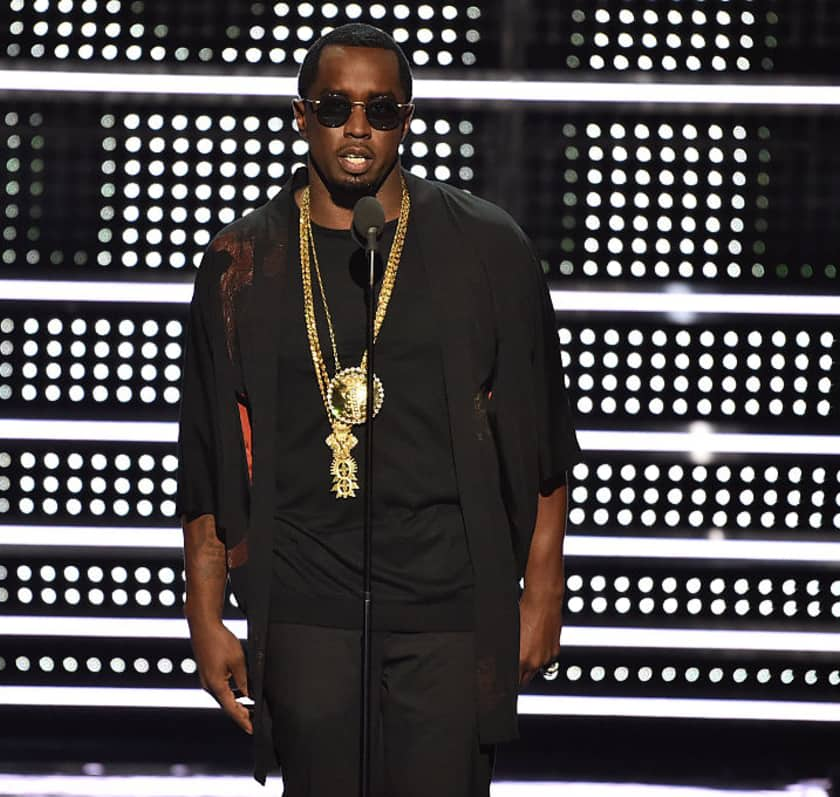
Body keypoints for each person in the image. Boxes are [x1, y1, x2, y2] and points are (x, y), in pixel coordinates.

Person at [178, 22, 579, 796]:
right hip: (304, 606)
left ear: (408, 118)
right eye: (334, 107)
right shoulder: (242, 261)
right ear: (300, 116)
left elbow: (541, 437)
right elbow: (212, 448)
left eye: (381, 110)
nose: (357, 129)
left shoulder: (486, 248)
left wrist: (543, 592)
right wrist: (206, 613)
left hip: (448, 609)